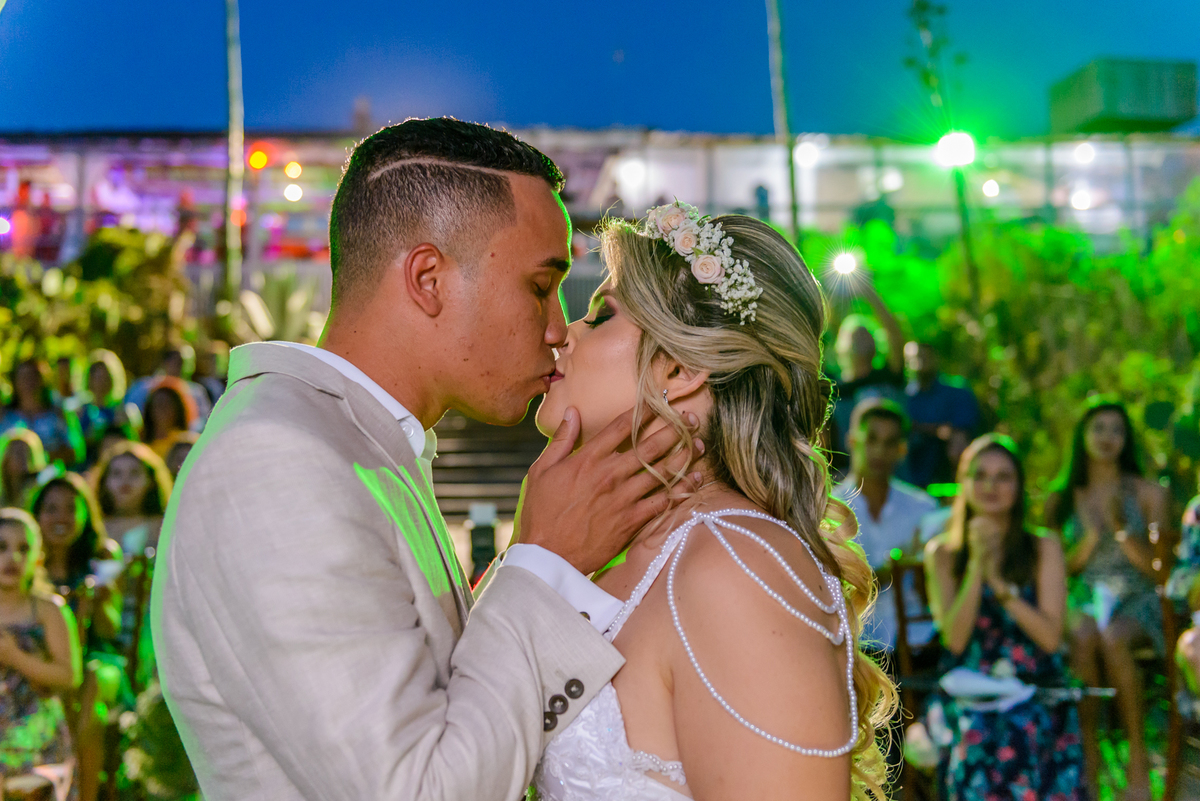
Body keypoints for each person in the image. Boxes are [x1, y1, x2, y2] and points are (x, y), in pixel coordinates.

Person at [152, 118, 702, 801]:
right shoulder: (275, 461)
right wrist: (545, 561)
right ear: (428, 278)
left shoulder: (356, 443)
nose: (559, 328)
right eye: (540, 287)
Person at [531, 202, 896, 800]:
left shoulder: (737, 564)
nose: (564, 334)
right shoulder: (626, 551)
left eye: (601, 315)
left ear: (680, 369)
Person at [924, 435, 1084, 801]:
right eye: (980, 475)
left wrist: (998, 584)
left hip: (1034, 684)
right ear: (964, 483)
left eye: (1003, 476)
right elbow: (954, 640)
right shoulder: (942, 554)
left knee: (1025, 726)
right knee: (976, 731)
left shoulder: (1043, 547)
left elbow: (1050, 639)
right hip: (969, 687)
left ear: (1019, 486)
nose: (991, 486)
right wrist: (977, 566)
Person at [1046, 397, 1170, 801]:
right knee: (1084, 634)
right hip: (1084, 595)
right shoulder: (1062, 497)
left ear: (1127, 439)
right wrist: (1089, 540)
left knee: (1113, 636)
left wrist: (1121, 532)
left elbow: (1160, 571)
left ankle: (1138, 759)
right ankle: (1089, 759)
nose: (1107, 437)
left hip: (1137, 596)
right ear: (1082, 435)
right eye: (1099, 428)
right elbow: (1054, 573)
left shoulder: (1148, 493)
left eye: (1117, 430)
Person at [30, 472, 124, 801]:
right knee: (68, 692)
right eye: (51, 509)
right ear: (37, 516)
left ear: (86, 513)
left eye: (71, 508)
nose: (61, 517)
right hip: (46, 666)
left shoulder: (102, 557)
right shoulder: (25, 564)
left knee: (90, 684)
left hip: (100, 661)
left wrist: (97, 601)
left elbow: (111, 631)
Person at [833, 398, 938, 653]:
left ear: (902, 449)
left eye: (890, 443)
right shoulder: (827, 510)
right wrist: (893, 566)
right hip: (854, 650)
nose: (879, 451)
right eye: (871, 439)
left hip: (920, 644)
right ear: (852, 441)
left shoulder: (923, 509)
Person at [0, 507, 82, 797]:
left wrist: (15, 658)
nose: (12, 558)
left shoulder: (48, 610)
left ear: (38, 557)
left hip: (33, 728)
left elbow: (69, 676)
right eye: (2, 547)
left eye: (23, 549)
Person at [828, 285, 906, 479]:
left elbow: (895, 336)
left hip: (895, 474)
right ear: (841, 345)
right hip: (847, 478)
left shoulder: (888, 376)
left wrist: (868, 292)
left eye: (866, 334)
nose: (860, 339)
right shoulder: (833, 387)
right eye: (854, 335)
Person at [897, 341, 981, 488]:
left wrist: (919, 428)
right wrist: (934, 430)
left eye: (925, 357)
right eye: (915, 358)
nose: (920, 363)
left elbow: (959, 432)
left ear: (935, 358)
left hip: (945, 467)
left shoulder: (957, 392)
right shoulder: (901, 397)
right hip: (909, 472)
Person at [92, 441, 172, 559]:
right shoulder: (93, 529)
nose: (125, 480)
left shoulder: (167, 529)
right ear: (104, 481)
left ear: (151, 481)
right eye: (117, 473)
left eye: (134, 473)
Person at [1, 359, 83, 466]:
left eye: (33, 377)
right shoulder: (5, 416)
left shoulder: (60, 413)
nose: (28, 383)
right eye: (23, 377)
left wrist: (40, 457)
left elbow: (77, 451)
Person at [76, 350, 140, 465]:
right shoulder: (79, 412)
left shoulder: (124, 411)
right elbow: (75, 448)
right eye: (97, 377)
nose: (101, 382)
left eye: (105, 377)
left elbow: (135, 445)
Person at [125, 347, 212, 425]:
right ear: (165, 362)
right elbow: (130, 412)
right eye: (180, 362)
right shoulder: (143, 387)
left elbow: (204, 420)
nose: (185, 368)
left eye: (190, 363)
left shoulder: (197, 391)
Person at [141, 377, 198, 459]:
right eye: (158, 404)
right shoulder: (141, 446)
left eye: (168, 405)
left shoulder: (190, 443)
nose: (163, 410)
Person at [2, 428, 48, 508]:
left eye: (28, 453)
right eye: (18, 453)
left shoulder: (43, 493)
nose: (24, 459)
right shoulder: (2, 497)